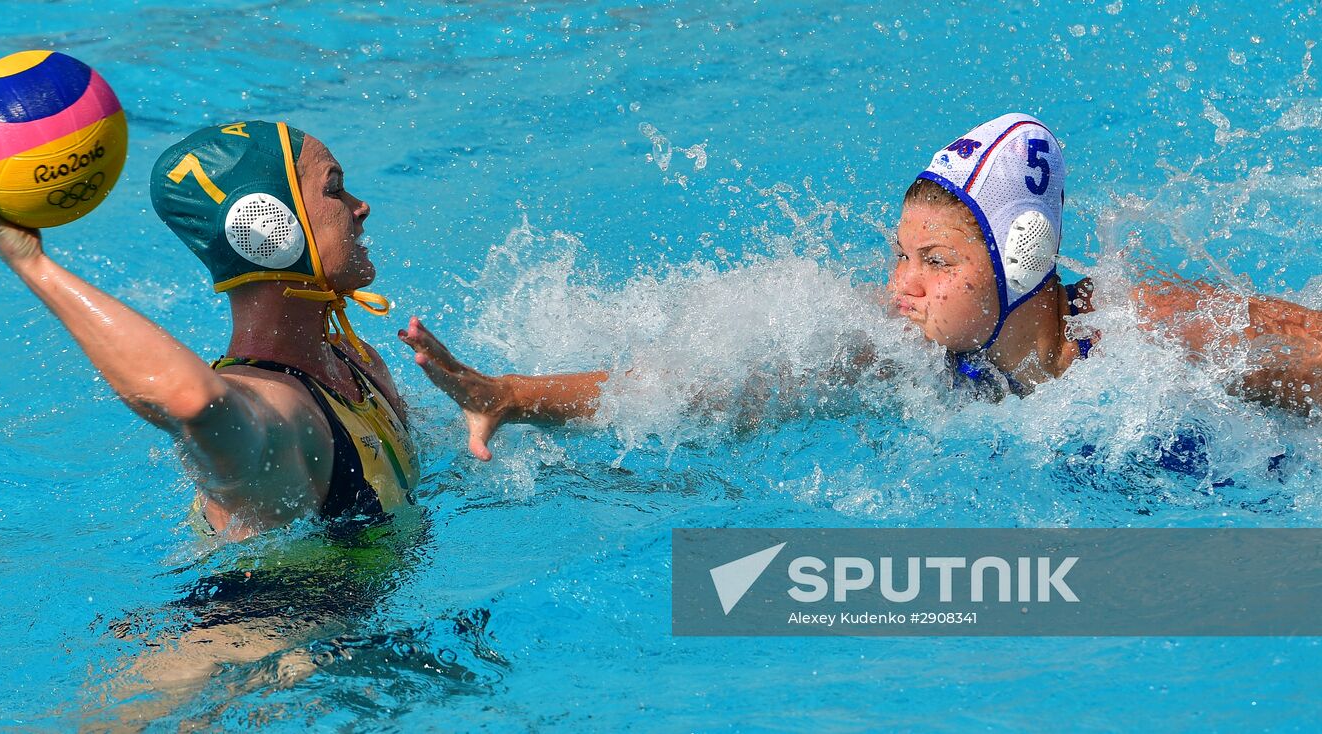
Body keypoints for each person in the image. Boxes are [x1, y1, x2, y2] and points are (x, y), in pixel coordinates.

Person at [400, 113, 1322, 460]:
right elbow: (699, 392)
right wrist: (513, 394)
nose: (901, 287)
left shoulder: (1156, 335)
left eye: (936, 262)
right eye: (899, 256)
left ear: (1022, 258)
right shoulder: (904, 355)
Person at [0, 120, 418, 540]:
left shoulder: (358, 363)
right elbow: (192, 401)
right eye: (334, 189)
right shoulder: (281, 411)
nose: (360, 207)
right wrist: (32, 264)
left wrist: (466, 393)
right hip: (262, 617)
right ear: (267, 223)